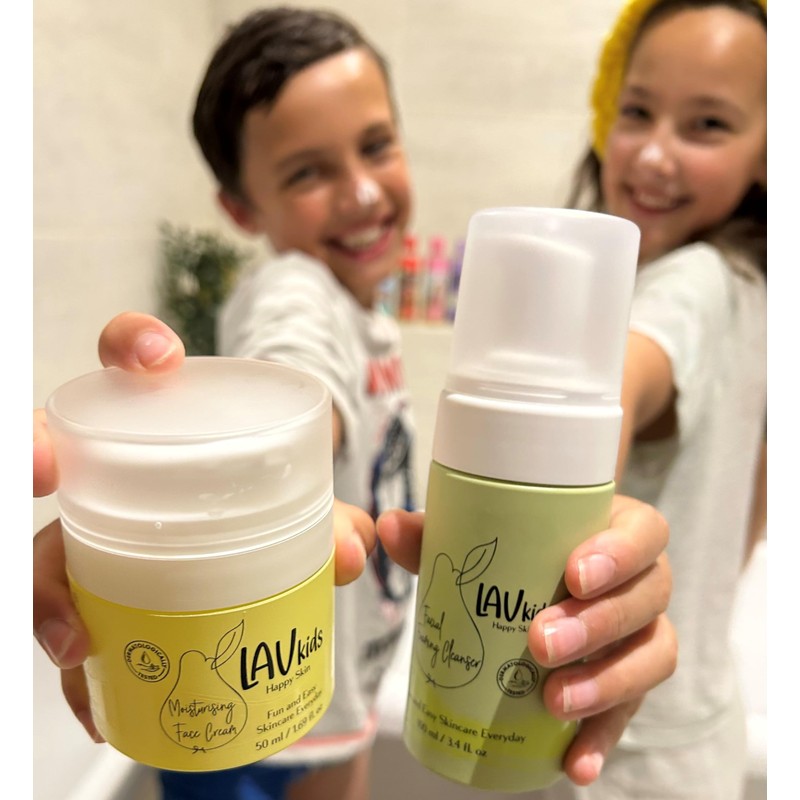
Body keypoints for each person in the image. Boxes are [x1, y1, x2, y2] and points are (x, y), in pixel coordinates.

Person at [33, 6, 678, 798]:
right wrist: (212, 461)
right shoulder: (296, 289)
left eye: (376, 146)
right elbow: (298, 382)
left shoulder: (363, 308)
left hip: (334, 687)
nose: (363, 191)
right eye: (307, 172)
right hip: (242, 714)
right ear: (241, 209)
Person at [540, 1, 767, 798]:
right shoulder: (754, 287)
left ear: (769, 150)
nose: (654, 154)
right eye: (636, 111)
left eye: (706, 125)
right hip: (699, 720)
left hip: (618, 743)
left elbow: (621, 382)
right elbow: (757, 501)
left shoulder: (688, 283)